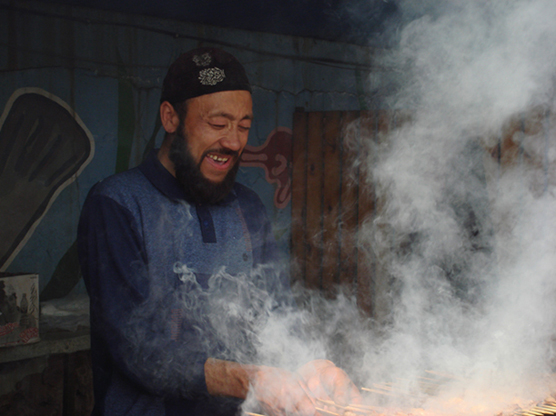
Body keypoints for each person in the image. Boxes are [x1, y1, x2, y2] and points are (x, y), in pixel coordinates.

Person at [78, 47, 361, 416]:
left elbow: (276, 311)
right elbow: (139, 349)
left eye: (244, 126)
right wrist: (248, 379)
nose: (233, 141)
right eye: (218, 124)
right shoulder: (116, 204)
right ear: (170, 117)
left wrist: (307, 363)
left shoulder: (247, 208)